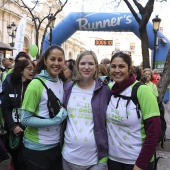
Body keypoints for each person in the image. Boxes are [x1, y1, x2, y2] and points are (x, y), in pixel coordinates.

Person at [106, 52, 161, 170]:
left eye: (121, 66)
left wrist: (141, 164)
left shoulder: (143, 91)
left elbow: (154, 130)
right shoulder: (109, 89)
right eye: (113, 66)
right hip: (113, 160)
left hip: (137, 161)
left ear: (130, 69)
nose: (117, 70)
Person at [62, 50, 111, 170]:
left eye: (91, 63)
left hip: (96, 160)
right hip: (68, 156)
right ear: (77, 65)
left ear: (96, 66)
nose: (86, 67)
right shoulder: (68, 87)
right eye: (83, 63)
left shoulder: (105, 90)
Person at [20, 45, 67, 170]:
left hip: (56, 146)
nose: (56, 63)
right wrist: (55, 121)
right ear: (45, 61)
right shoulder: (36, 84)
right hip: (36, 149)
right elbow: (24, 119)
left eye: (60, 60)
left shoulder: (61, 82)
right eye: (52, 59)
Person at [1, 60, 35, 170]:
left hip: (28, 131)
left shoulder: (33, 87)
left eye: (33, 69)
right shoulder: (11, 86)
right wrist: (13, 126)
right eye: (29, 69)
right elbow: (5, 107)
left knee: (25, 161)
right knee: (16, 160)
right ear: (21, 70)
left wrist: (23, 126)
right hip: (13, 131)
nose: (32, 71)